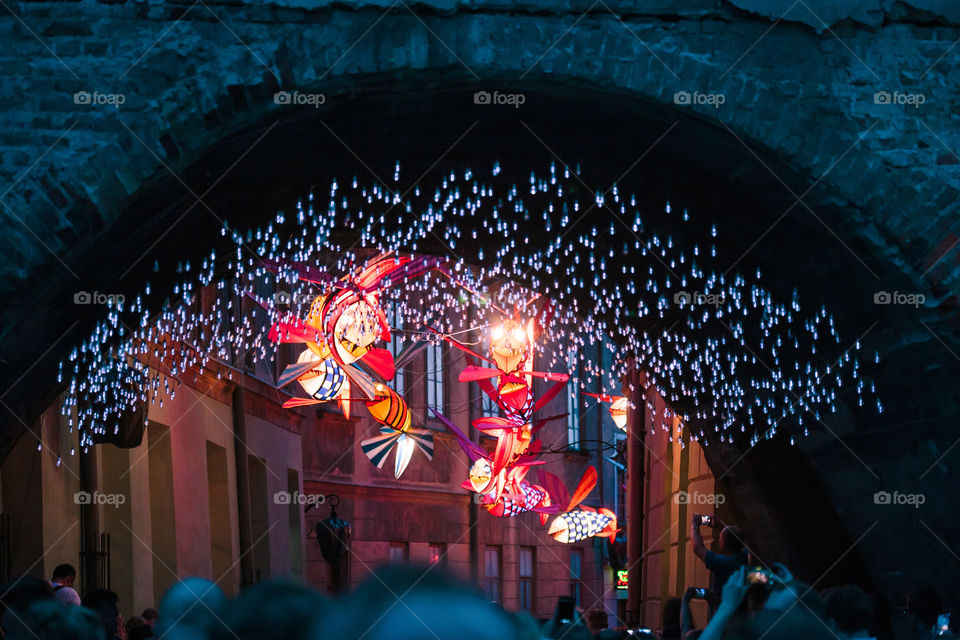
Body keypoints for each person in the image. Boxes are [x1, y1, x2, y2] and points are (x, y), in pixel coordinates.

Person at [690, 515, 748, 604]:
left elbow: (697, 548)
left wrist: (695, 524)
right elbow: (734, 538)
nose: (718, 537)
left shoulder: (725, 564)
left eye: (720, 537)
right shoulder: (745, 555)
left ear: (724, 544)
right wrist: (720, 525)